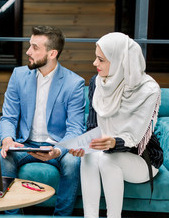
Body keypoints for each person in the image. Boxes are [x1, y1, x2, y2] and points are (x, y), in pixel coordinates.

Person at [69, 32, 163, 218]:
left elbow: (135, 138)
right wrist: (84, 145)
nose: (95, 64)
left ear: (120, 60)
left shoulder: (148, 89)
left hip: (141, 158)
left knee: (106, 159)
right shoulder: (97, 82)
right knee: (89, 156)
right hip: (107, 151)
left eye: (101, 59)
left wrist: (113, 142)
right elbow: (93, 128)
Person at [0, 26, 85, 216]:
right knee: (4, 155)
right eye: (29, 46)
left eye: (35, 47)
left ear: (52, 53)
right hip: (25, 144)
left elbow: (75, 128)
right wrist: (7, 139)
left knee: (73, 162)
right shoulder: (18, 75)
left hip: (58, 146)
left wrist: (57, 151)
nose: (28, 52)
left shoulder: (74, 83)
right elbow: (9, 117)